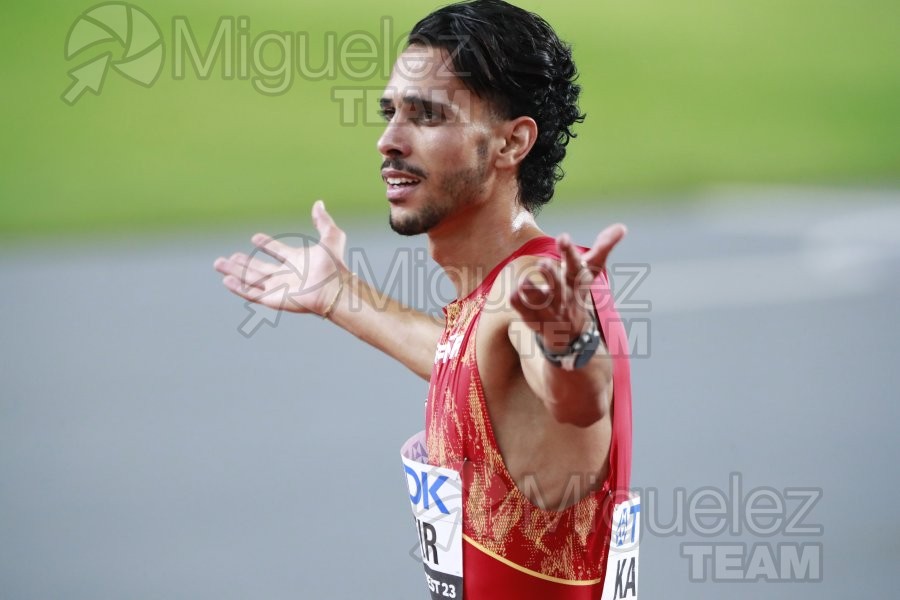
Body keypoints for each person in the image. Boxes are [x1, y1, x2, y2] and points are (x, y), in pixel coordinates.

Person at [214, 1, 636, 598]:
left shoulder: (533, 291)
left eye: (427, 115)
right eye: (390, 112)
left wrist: (569, 342)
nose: (389, 141)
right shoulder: (502, 289)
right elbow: (468, 364)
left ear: (511, 143)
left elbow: (581, 397)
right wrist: (339, 295)